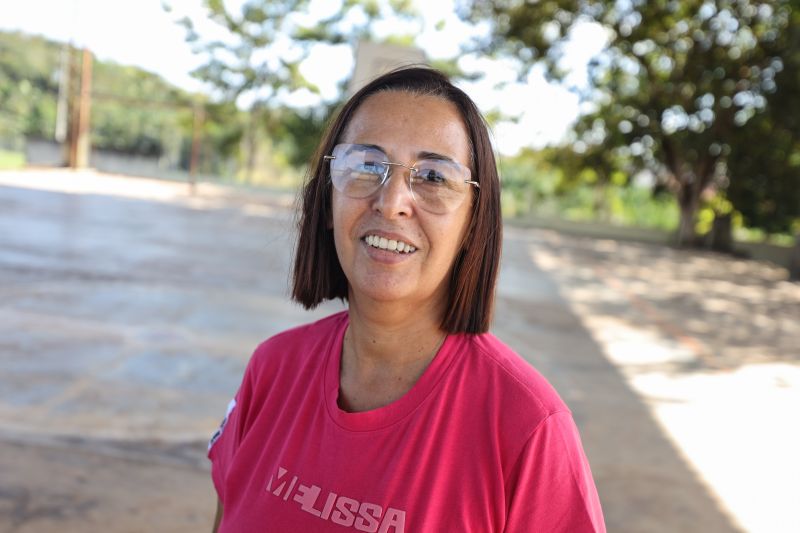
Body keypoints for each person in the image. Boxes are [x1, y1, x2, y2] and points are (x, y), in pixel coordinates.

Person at [208, 66, 605, 532]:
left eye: (433, 177)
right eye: (366, 166)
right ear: (328, 200)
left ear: (472, 225)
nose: (391, 201)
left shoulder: (527, 426)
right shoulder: (272, 370)